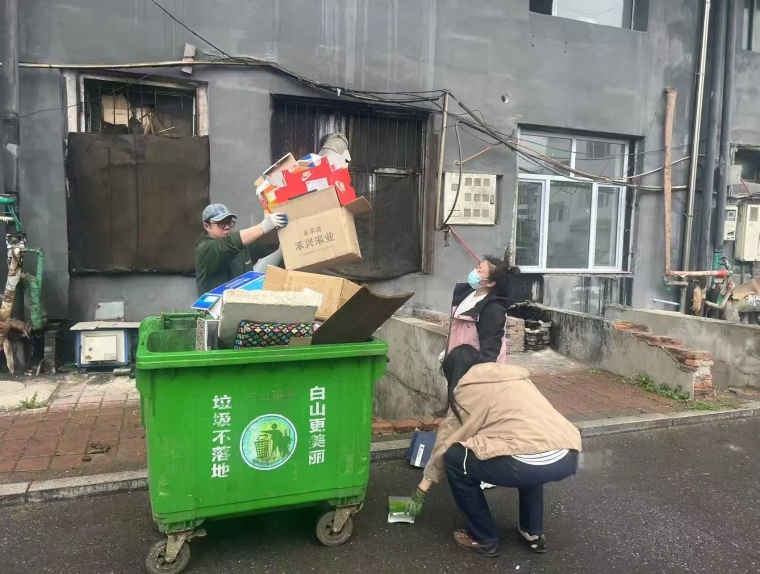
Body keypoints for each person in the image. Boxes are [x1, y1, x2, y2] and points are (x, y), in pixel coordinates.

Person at [406, 345, 582, 557]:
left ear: (455, 372)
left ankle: (483, 538)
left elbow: (446, 441)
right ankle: (532, 530)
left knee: (454, 458)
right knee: (526, 447)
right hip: (566, 454)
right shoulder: (516, 378)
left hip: (526, 463)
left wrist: (421, 490)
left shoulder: (468, 390)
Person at [195, 204, 289, 296]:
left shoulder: (241, 247)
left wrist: (285, 227)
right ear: (207, 226)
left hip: (241, 303)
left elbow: (264, 243)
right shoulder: (204, 249)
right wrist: (264, 226)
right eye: (221, 224)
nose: (227, 227)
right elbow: (227, 245)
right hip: (216, 305)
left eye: (229, 223)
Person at [442, 257, 521, 364]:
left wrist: (475, 372)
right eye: (477, 267)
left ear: (490, 283)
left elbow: (489, 354)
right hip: (457, 364)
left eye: (479, 271)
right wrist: (449, 354)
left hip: (472, 369)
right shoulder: (466, 295)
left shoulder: (493, 309)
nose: (474, 272)